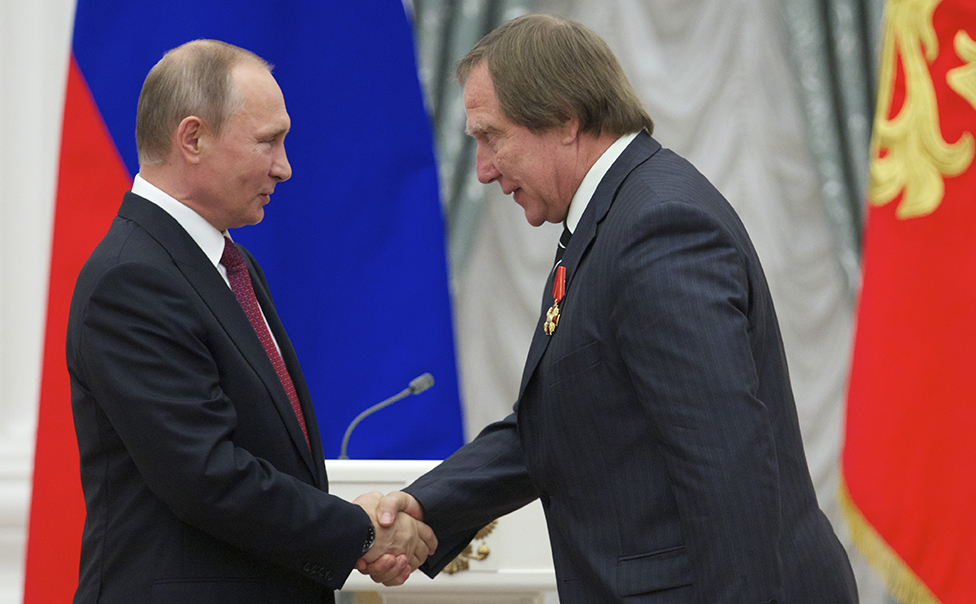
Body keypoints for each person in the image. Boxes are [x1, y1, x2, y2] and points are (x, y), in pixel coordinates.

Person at [363, 14, 859, 603]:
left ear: (566, 120)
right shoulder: (610, 218)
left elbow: (727, 468)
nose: (484, 169)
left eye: (491, 136)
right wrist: (425, 503)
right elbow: (551, 423)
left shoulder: (659, 229)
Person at [66, 39, 434, 604]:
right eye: (268, 142)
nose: (285, 168)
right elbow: (206, 476)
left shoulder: (224, 263)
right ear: (193, 138)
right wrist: (360, 531)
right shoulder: (132, 280)